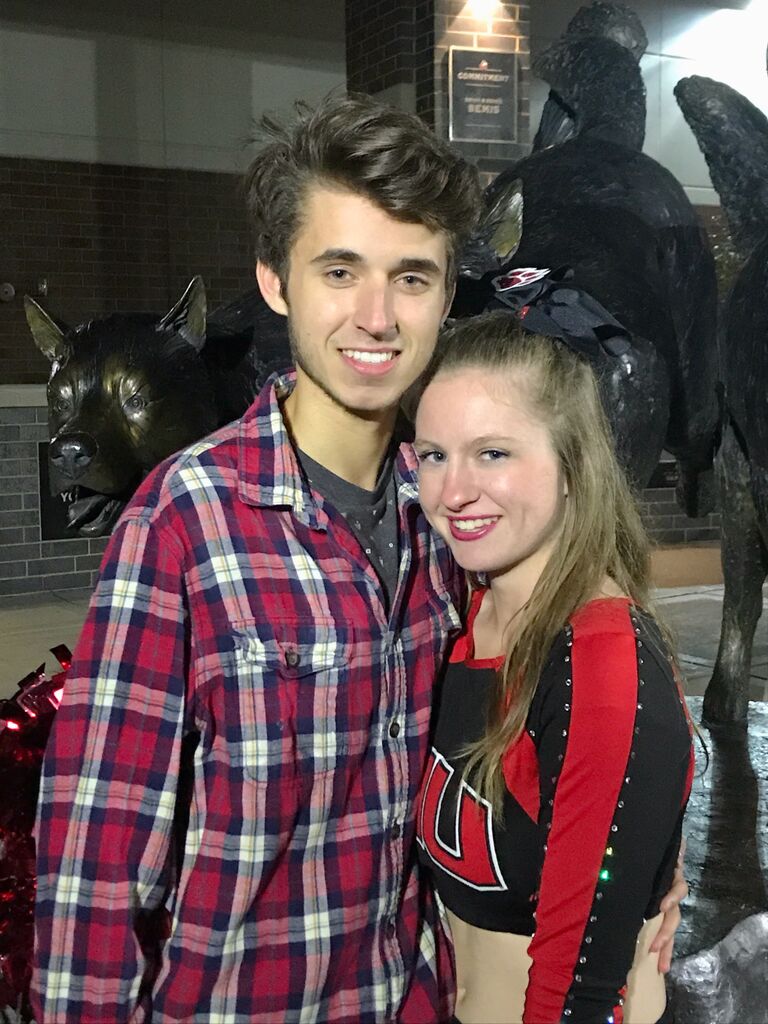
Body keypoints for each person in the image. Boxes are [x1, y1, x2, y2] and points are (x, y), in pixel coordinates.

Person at [32, 94, 687, 1023]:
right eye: (340, 270)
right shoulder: (184, 525)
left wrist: (647, 853)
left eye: (412, 278)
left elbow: (581, 716)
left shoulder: (455, 524)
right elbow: (92, 870)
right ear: (274, 279)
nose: (376, 317)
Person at [413, 309, 695, 1024]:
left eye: (494, 454)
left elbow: (580, 991)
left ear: (573, 466)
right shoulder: (459, 616)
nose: (453, 493)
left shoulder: (601, 668)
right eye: (433, 455)